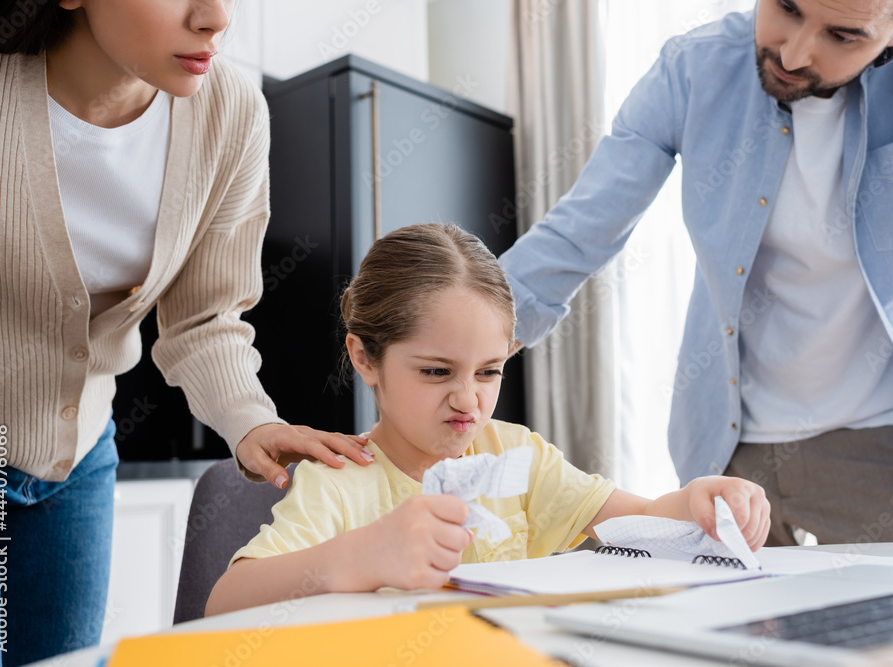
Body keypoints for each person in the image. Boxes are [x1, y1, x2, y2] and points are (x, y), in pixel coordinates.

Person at [0, 1, 374, 664]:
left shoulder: (232, 116)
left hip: (74, 458)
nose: (216, 17)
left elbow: (203, 316)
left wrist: (250, 421)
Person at [498, 0, 893, 547]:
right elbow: (577, 234)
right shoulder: (692, 68)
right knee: (729, 630)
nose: (794, 54)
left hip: (886, 447)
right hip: (729, 449)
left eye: (842, 36)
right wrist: (437, 358)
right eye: (787, 8)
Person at [203, 223, 771, 616]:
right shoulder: (342, 481)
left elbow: (642, 521)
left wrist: (699, 500)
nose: (467, 401)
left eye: (488, 372)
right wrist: (363, 554)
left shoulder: (517, 456)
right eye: (435, 372)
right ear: (364, 358)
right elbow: (225, 601)